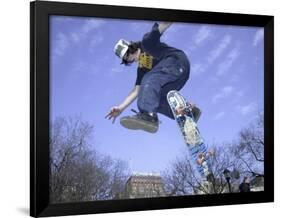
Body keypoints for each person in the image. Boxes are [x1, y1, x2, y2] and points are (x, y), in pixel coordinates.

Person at [105, 22, 191, 133]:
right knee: (153, 97)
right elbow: (136, 91)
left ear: (131, 47)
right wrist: (120, 108)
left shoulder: (146, 44)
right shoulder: (142, 68)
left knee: (148, 80)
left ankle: (148, 115)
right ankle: (184, 112)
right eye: (126, 60)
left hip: (176, 62)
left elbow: (162, 26)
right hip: (178, 79)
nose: (130, 59)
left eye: (128, 55)